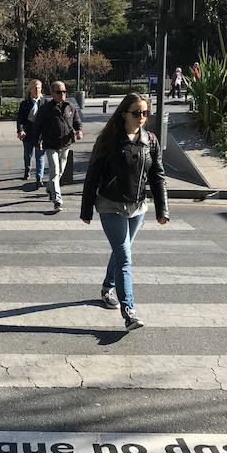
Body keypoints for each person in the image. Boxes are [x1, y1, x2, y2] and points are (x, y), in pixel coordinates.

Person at [80, 92, 169, 331]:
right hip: (111, 205)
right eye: (137, 113)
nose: (142, 117)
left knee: (122, 252)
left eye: (145, 113)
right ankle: (129, 311)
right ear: (124, 114)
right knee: (125, 256)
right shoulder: (109, 139)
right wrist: (86, 209)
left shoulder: (150, 140)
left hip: (138, 206)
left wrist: (163, 209)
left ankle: (107, 286)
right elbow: (93, 175)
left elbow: (157, 176)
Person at [33, 80, 83, 213]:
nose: (62, 94)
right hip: (51, 145)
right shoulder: (45, 109)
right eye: (59, 92)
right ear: (52, 93)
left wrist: (79, 131)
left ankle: (50, 188)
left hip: (66, 144)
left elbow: (77, 122)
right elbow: (37, 127)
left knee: (60, 172)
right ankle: (57, 200)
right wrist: (37, 141)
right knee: (55, 172)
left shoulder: (70, 107)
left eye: (64, 92)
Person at [16, 79, 47, 189]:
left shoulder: (45, 102)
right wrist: (21, 130)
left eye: (39, 88)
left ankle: (39, 178)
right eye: (35, 88)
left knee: (40, 156)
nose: (37, 90)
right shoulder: (25, 104)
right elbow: (20, 119)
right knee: (28, 154)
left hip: (40, 134)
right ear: (30, 90)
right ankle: (27, 170)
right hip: (28, 133)